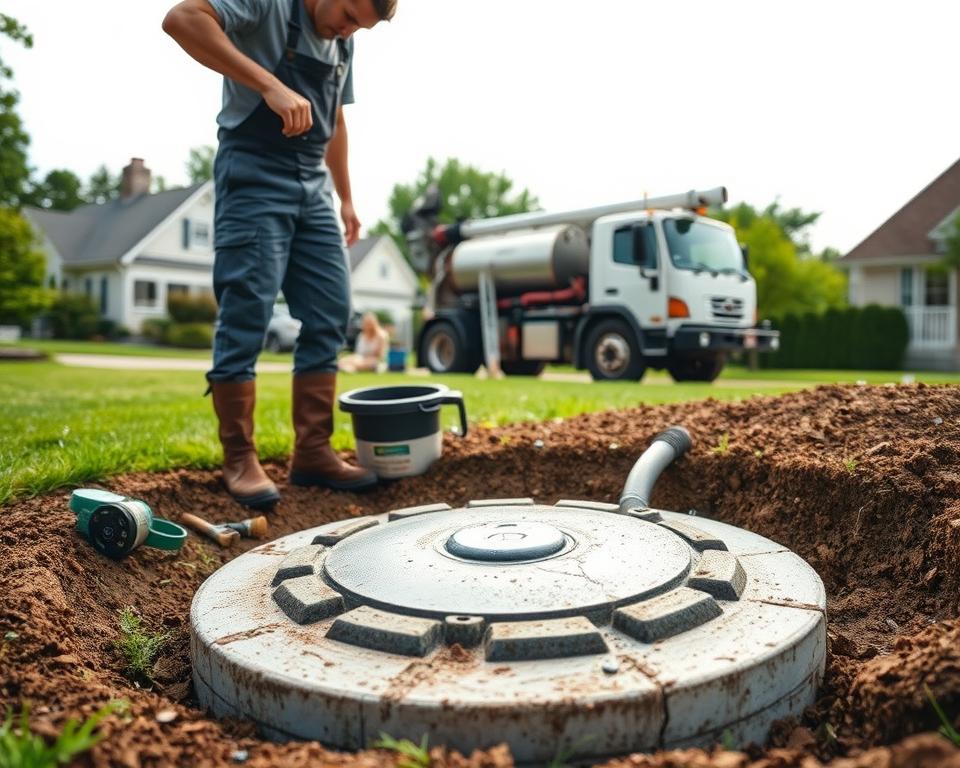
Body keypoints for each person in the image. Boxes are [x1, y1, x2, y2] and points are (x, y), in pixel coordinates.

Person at [162, 0, 397, 508]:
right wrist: (267, 82)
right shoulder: (267, 5)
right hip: (253, 172)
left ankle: (312, 451)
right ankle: (239, 457)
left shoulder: (342, 43)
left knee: (331, 313)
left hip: (312, 185)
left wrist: (347, 197)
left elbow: (333, 117)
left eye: (360, 26)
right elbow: (182, 19)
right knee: (247, 310)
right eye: (350, 15)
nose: (349, 30)